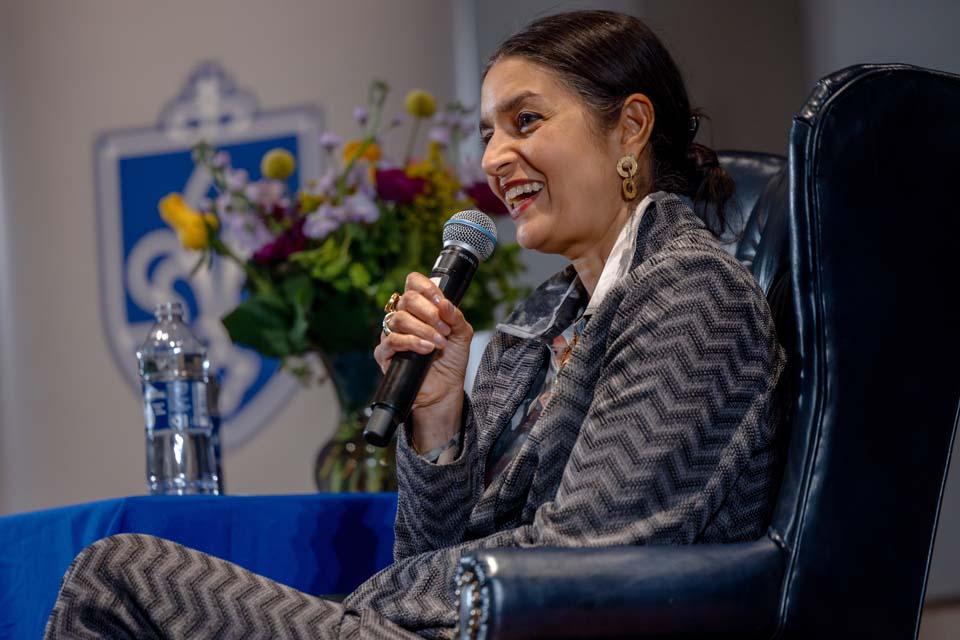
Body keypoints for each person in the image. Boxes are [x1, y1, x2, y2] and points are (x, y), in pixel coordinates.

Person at [45, 10, 785, 639]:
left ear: (629, 126)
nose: (496, 159)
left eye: (525, 121)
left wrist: (373, 601)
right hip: (456, 621)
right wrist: (436, 420)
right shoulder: (541, 317)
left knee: (120, 576)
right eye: (490, 132)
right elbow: (430, 547)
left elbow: (584, 563)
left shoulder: (690, 297)